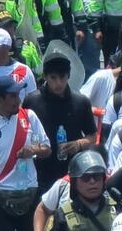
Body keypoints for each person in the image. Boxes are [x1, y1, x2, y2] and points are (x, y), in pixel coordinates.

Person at [0, 76, 51, 231]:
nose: (18, 100)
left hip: (29, 191)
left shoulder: (29, 117)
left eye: (18, 94)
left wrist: (33, 150)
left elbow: (47, 149)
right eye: (13, 96)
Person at [22, 50, 97, 195]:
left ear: (68, 76)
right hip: (40, 172)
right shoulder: (32, 101)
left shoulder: (80, 101)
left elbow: (92, 136)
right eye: (53, 78)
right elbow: (23, 134)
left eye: (62, 77)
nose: (58, 83)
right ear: (45, 77)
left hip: (72, 171)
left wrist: (78, 144)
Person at [35, 151, 122, 231]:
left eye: (97, 176)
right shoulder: (62, 217)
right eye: (85, 177)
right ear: (74, 182)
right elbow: (42, 209)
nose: (92, 181)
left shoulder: (117, 209)